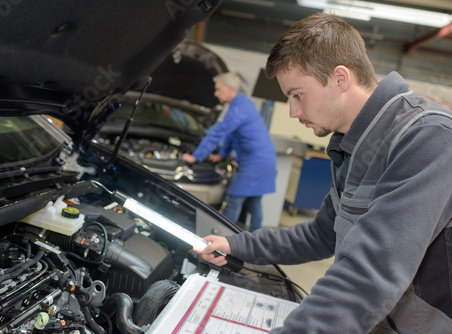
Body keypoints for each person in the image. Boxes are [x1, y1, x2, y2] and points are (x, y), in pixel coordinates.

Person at [195, 13, 452, 333]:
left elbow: (369, 273)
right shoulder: (351, 147)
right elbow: (321, 234)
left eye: (297, 95)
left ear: (340, 78)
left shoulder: (429, 137)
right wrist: (238, 245)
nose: (293, 112)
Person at [182, 72, 276, 232]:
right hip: (262, 159)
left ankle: (222, 238)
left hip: (256, 161)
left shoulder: (240, 107)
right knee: (254, 202)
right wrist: (222, 155)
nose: (215, 93)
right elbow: (232, 134)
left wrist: (195, 157)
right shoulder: (240, 104)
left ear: (229, 88)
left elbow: (219, 132)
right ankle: (256, 238)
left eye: (218, 89)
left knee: (234, 199)